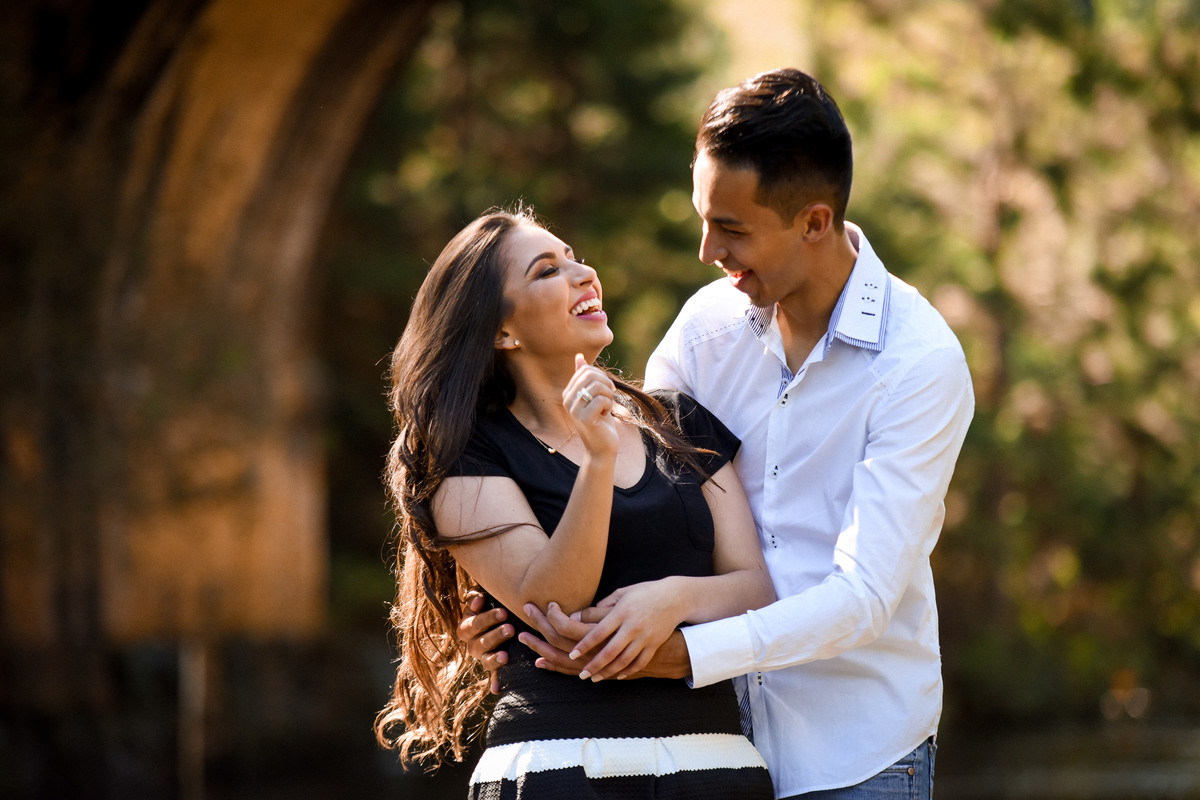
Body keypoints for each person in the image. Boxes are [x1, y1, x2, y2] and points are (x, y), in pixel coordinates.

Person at [459, 69, 975, 799]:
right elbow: (631, 489)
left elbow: (863, 595)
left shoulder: (918, 362)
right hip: (708, 753)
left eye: (731, 229)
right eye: (704, 217)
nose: (707, 250)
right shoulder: (707, 329)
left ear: (815, 222)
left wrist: (688, 648)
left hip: (857, 754)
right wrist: (500, 617)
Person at [373, 206, 777, 799]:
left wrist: (674, 598)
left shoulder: (681, 421)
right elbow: (555, 600)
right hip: (560, 766)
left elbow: (756, 591)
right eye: (546, 271)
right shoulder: (465, 452)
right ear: (500, 331)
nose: (584, 274)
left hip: (714, 764)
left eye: (575, 258)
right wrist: (597, 461)